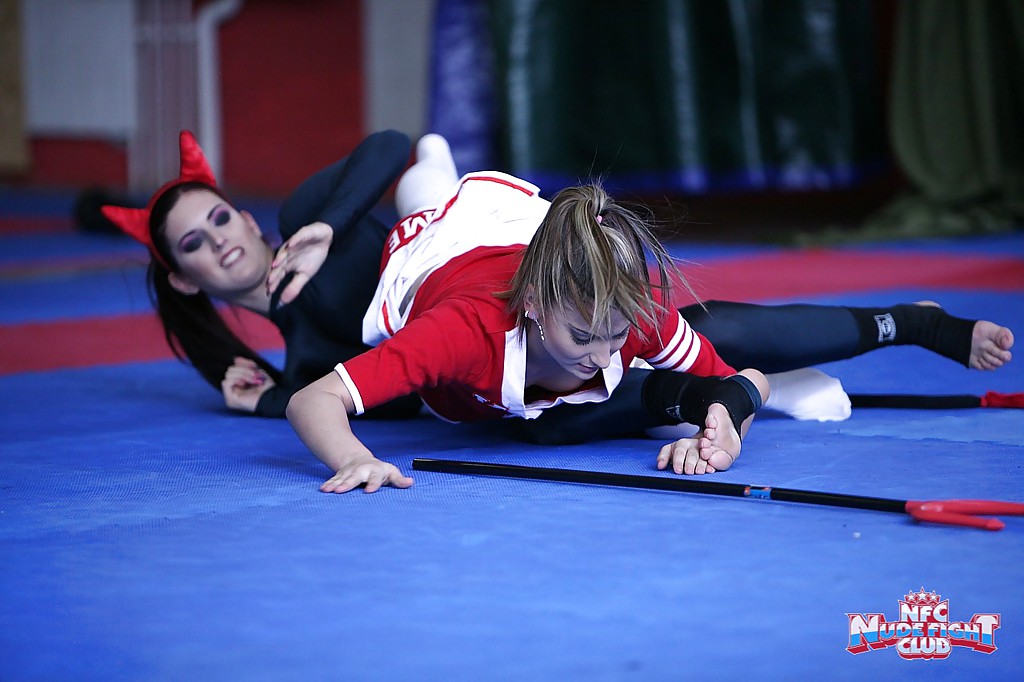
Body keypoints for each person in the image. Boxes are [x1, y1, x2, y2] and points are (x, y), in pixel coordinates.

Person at [102, 131, 1014, 426]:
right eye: (194, 245)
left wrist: (324, 228)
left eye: (220, 217)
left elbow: (384, 144)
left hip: (475, 244)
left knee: (679, 325)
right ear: (183, 281)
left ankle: (904, 322)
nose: (221, 241)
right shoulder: (306, 349)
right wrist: (260, 400)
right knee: (570, 398)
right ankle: (738, 393)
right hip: (463, 320)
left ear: (245, 214)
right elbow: (355, 396)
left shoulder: (313, 214)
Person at [286, 176, 770, 492]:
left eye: (617, 337)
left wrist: (719, 437)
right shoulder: (462, 332)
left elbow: (735, 385)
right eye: (583, 337)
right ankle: (433, 170)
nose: (604, 358)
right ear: (533, 304)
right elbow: (312, 399)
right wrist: (354, 459)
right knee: (427, 196)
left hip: (530, 236)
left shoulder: (635, 310)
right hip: (438, 251)